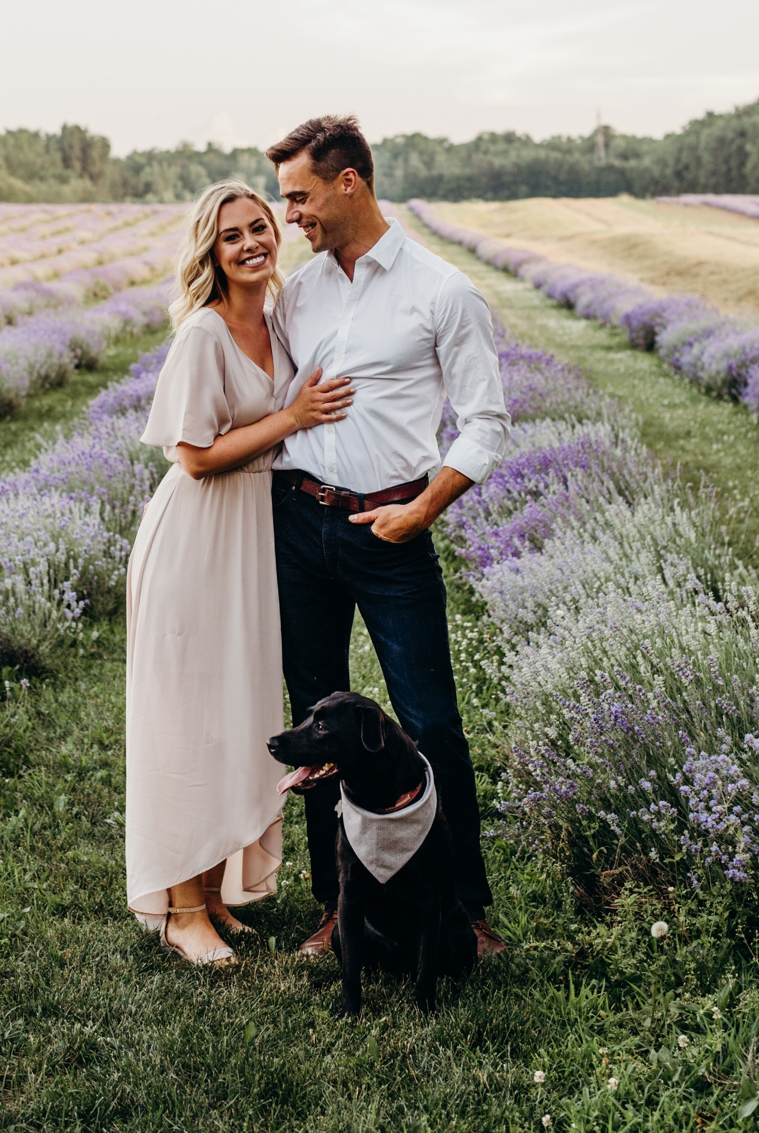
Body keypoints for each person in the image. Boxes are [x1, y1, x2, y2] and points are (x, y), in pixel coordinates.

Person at [263, 115, 513, 961]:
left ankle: (465, 914)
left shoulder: (443, 292)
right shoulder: (300, 293)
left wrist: (424, 510)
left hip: (392, 527)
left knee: (431, 724)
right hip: (298, 523)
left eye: (298, 195)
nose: (287, 213)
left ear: (349, 183)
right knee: (313, 731)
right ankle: (338, 908)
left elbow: (485, 423)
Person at [126, 181, 354, 965]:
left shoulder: (279, 316)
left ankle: (216, 894)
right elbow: (191, 457)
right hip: (198, 536)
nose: (253, 242)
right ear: (210, 252)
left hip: (253, 537)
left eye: (261, 226)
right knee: (190, 715)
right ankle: (181, 909)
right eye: (233, 236)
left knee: (234, 710)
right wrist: (290, 418)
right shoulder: (203, 333)